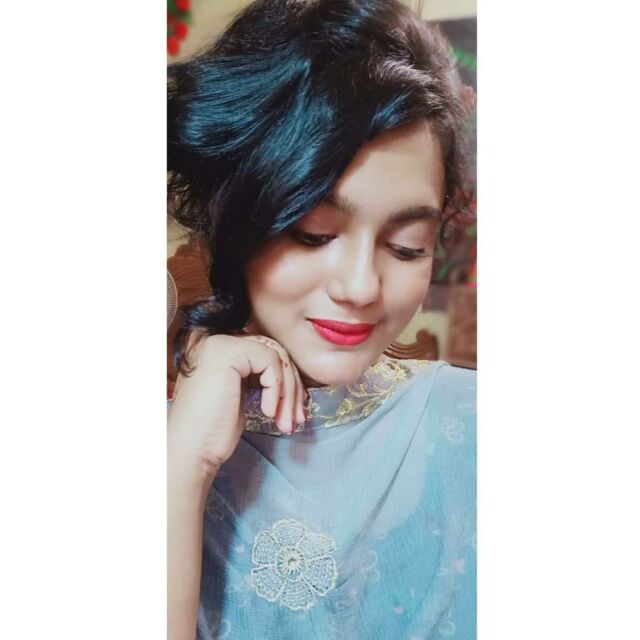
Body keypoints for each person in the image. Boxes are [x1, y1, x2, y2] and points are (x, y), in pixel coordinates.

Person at [167, 1, 476, 638]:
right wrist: (183, 465)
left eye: (407, 247)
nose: (361, 287)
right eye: (312, 233)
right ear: (233, 219)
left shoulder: (475, 424)